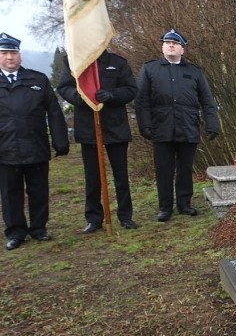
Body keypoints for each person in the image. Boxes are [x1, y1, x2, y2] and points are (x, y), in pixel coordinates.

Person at [135, 29, 219, 222]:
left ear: (183, 49)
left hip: (188, 126)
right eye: (167, 42)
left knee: (185, 168)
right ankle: (165, 207)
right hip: (161, 127)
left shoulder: (194, 72)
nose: (170, 45)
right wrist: (144, 125)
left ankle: (184, 204)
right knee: (163, 169)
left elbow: (207, 101)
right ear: (162, 47)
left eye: (175, 43)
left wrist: (212, 124)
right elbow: (141, 101)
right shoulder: (150, 69)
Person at [0, 33, 69, 250]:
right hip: (5, 148)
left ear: (19, 55)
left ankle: (39, 228)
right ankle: (15, 232)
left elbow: (55, 112)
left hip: (35, 145)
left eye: (13, 53)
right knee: (10, 194)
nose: (9, 58)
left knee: (39, 190)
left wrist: (61, 141)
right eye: (4, 53)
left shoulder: (38, 80)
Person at [57, 49, 138, 232]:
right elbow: (64, 87)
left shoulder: (117, 62)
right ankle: (94, 218)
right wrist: (80, 97)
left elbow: (131, 89)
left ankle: (125, 216)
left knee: (121, 175)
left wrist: (112, 95)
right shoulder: (73, 61)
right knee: (92, 176)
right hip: (88, 126)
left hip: (115, 126)